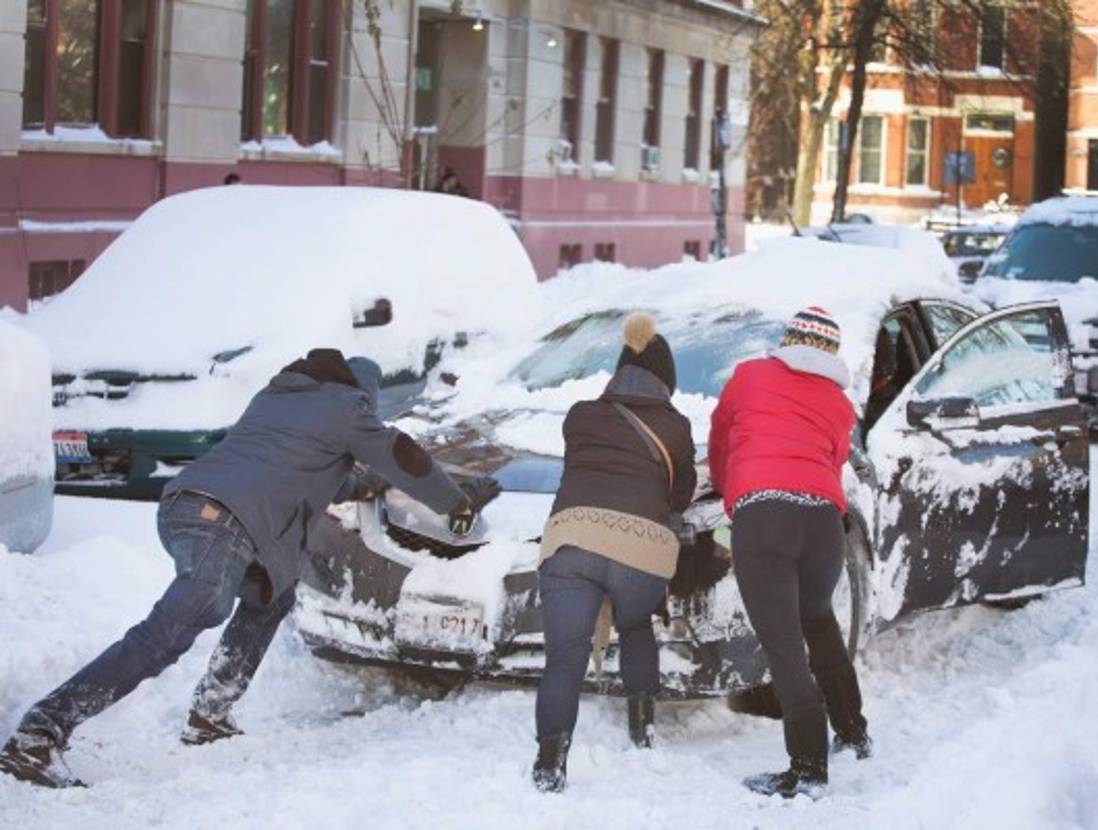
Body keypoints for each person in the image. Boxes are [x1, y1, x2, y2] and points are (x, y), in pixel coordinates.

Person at [0, 348, 495, 789]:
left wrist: (365, 489)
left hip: (188, 508)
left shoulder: (277, 401)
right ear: (361, 395)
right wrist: (457, 504)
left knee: (271, 594)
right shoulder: (346, 407)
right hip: (224, 522)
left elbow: (306, 471)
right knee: (169, 632)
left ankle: (211, 711)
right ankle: (39, 732)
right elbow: (400, 456)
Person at [708, 306, 870, 800]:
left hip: (765, 517)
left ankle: (808, 770)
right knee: (818, 621)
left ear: (789, 339)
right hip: (823, 522)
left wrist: (728, 490)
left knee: (783, 645)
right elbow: (835, 459)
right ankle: (853, 730)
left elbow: (721, 438)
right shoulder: (841, 405)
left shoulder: (750, 375)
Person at [531, 313, 696, 793]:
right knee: (636, 624)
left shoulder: (579, 415)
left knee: (564, 656)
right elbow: (679, 496)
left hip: (570, 541)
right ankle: (641, 729)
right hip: (638, 549)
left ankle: (549, 763)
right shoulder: (676, 427)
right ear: (666, 381)